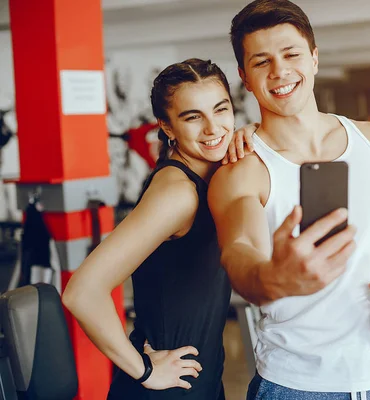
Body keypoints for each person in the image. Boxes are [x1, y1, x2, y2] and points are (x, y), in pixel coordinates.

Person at [207, 1, 370, 399]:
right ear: (245, 78)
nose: (279, 71)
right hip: (298, 386)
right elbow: (238, 252)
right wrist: (270, 278)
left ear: (314, 59)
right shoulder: (242, 169)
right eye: (261, 62)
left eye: (291, 54)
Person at [63, 58, 257, 399]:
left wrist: (252, 132)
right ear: (167, 127)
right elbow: (82, 291)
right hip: (167, 386)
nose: (213, 129)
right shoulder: (178, 193)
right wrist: (144, 370)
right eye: (193, 117)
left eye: (220, 110)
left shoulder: (211, 176)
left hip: (200, 378)